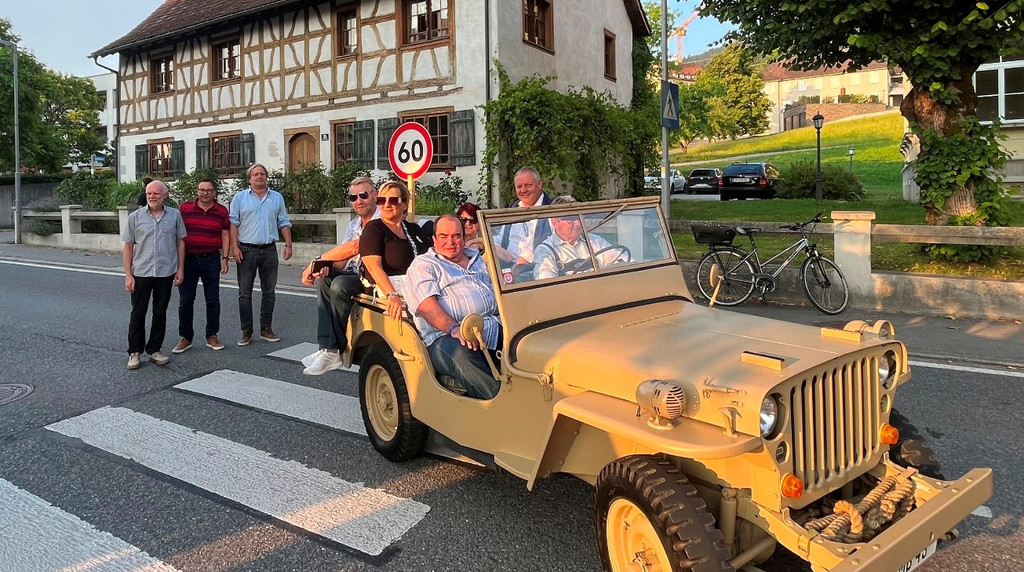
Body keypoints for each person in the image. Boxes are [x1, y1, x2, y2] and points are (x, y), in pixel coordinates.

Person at [405, 215, 501, 400]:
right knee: (461, 355)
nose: (451, 242)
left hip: (493, 327)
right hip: (446, 337)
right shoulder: (425, 265)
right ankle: (501, 410)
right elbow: (427, 307)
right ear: (434, 239)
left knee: (531, 342)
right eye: (444, 236)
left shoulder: (480, 260)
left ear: (464, 238)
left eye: (456, 236)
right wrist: (454, 328)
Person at [301, 177, 380, 376]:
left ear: (374, 195)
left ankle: (333, 349)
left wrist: (313, 261)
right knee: (324, 279)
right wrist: (323, 266)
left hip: (373, 275)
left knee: (339, 285)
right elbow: (342, 261)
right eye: (353, 197)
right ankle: (327, 348)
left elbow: (355, 247)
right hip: (354, 272)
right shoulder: (353, 224)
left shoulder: (380, 220)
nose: (358, 201)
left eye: (363, 195)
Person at [122, 180, 186, 370]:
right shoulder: (135, 217)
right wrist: (128, 274)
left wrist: (180, 269)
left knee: (160, 312)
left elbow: (180, 242)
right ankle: (134, 352)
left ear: (164, 195)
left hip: (165, 272)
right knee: (138, 313)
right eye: (149, 193)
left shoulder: (174, 215)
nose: (152, 196)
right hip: (141, 272)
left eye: (156, 193)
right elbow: (128, 246)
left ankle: (154, 349)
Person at [229, 163, 293, 346]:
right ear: (249, 178)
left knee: (269, 291)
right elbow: (233, 223)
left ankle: (266, 329)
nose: (259, 177)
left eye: (262, 174)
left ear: (266, 177)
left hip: (269, 250)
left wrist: (288, 244)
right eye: (255, 174)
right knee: (244, 293)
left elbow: (283, 221)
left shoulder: (277, 197)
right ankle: (246, 331)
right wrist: (235, 248)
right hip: (246, 250)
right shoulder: (240, 198)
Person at [172, 177, 231, 354]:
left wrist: (225, 258)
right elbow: (177, 235)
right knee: (186, 300)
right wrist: (177, 263)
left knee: (213, 300)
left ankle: (212, 335)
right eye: (201, 190)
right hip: (188, 260)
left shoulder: (221, 211)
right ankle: (186, 337)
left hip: (211, 259)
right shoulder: (185, 209)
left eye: (208, 190)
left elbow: (225, 234)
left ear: (214, 192)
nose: (205, 193)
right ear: (197, 191)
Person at [358, 180, 431, 320]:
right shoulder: (374, 228)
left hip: (420, 288)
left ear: (405, 204)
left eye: (393, 200)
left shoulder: (413, 230)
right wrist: (391, 294)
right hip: (390, 292)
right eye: (381, 200)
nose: (386, 205)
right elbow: (373, 267)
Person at [533, 195, 628, 280]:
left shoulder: (595, 241)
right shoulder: (546, 251)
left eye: (579, 218)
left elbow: (624, 261)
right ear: (555, 222)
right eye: (571, 220)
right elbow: (547, 285)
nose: (578, 224)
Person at [497, 166, 553, 266]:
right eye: (519, 187)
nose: (523, 190)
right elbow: (501, 238)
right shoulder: (513, 207)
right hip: (506, 264)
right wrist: (482, 242)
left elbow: (554, 244)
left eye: (528, 185)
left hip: (536, 267)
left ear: (539, 184)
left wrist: (518, 266)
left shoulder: (552, 209)